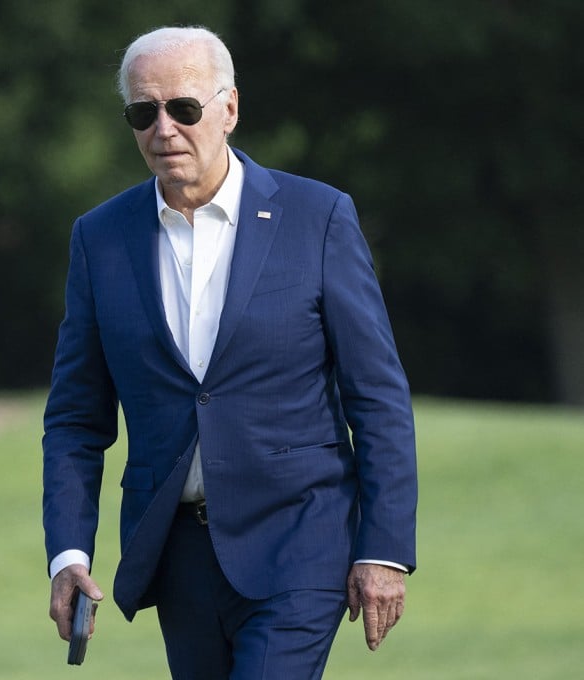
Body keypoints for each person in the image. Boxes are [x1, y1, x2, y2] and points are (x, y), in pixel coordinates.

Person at [41, 25, 418, 679]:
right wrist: (68, 553)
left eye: (184, 108)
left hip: (300, 541)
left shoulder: (318, 218)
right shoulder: (99, 238)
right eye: (143, 113)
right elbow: (76, 420)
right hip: (177, 553)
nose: (164, 129)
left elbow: (378, 395)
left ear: (229, 108)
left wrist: (382, 549)